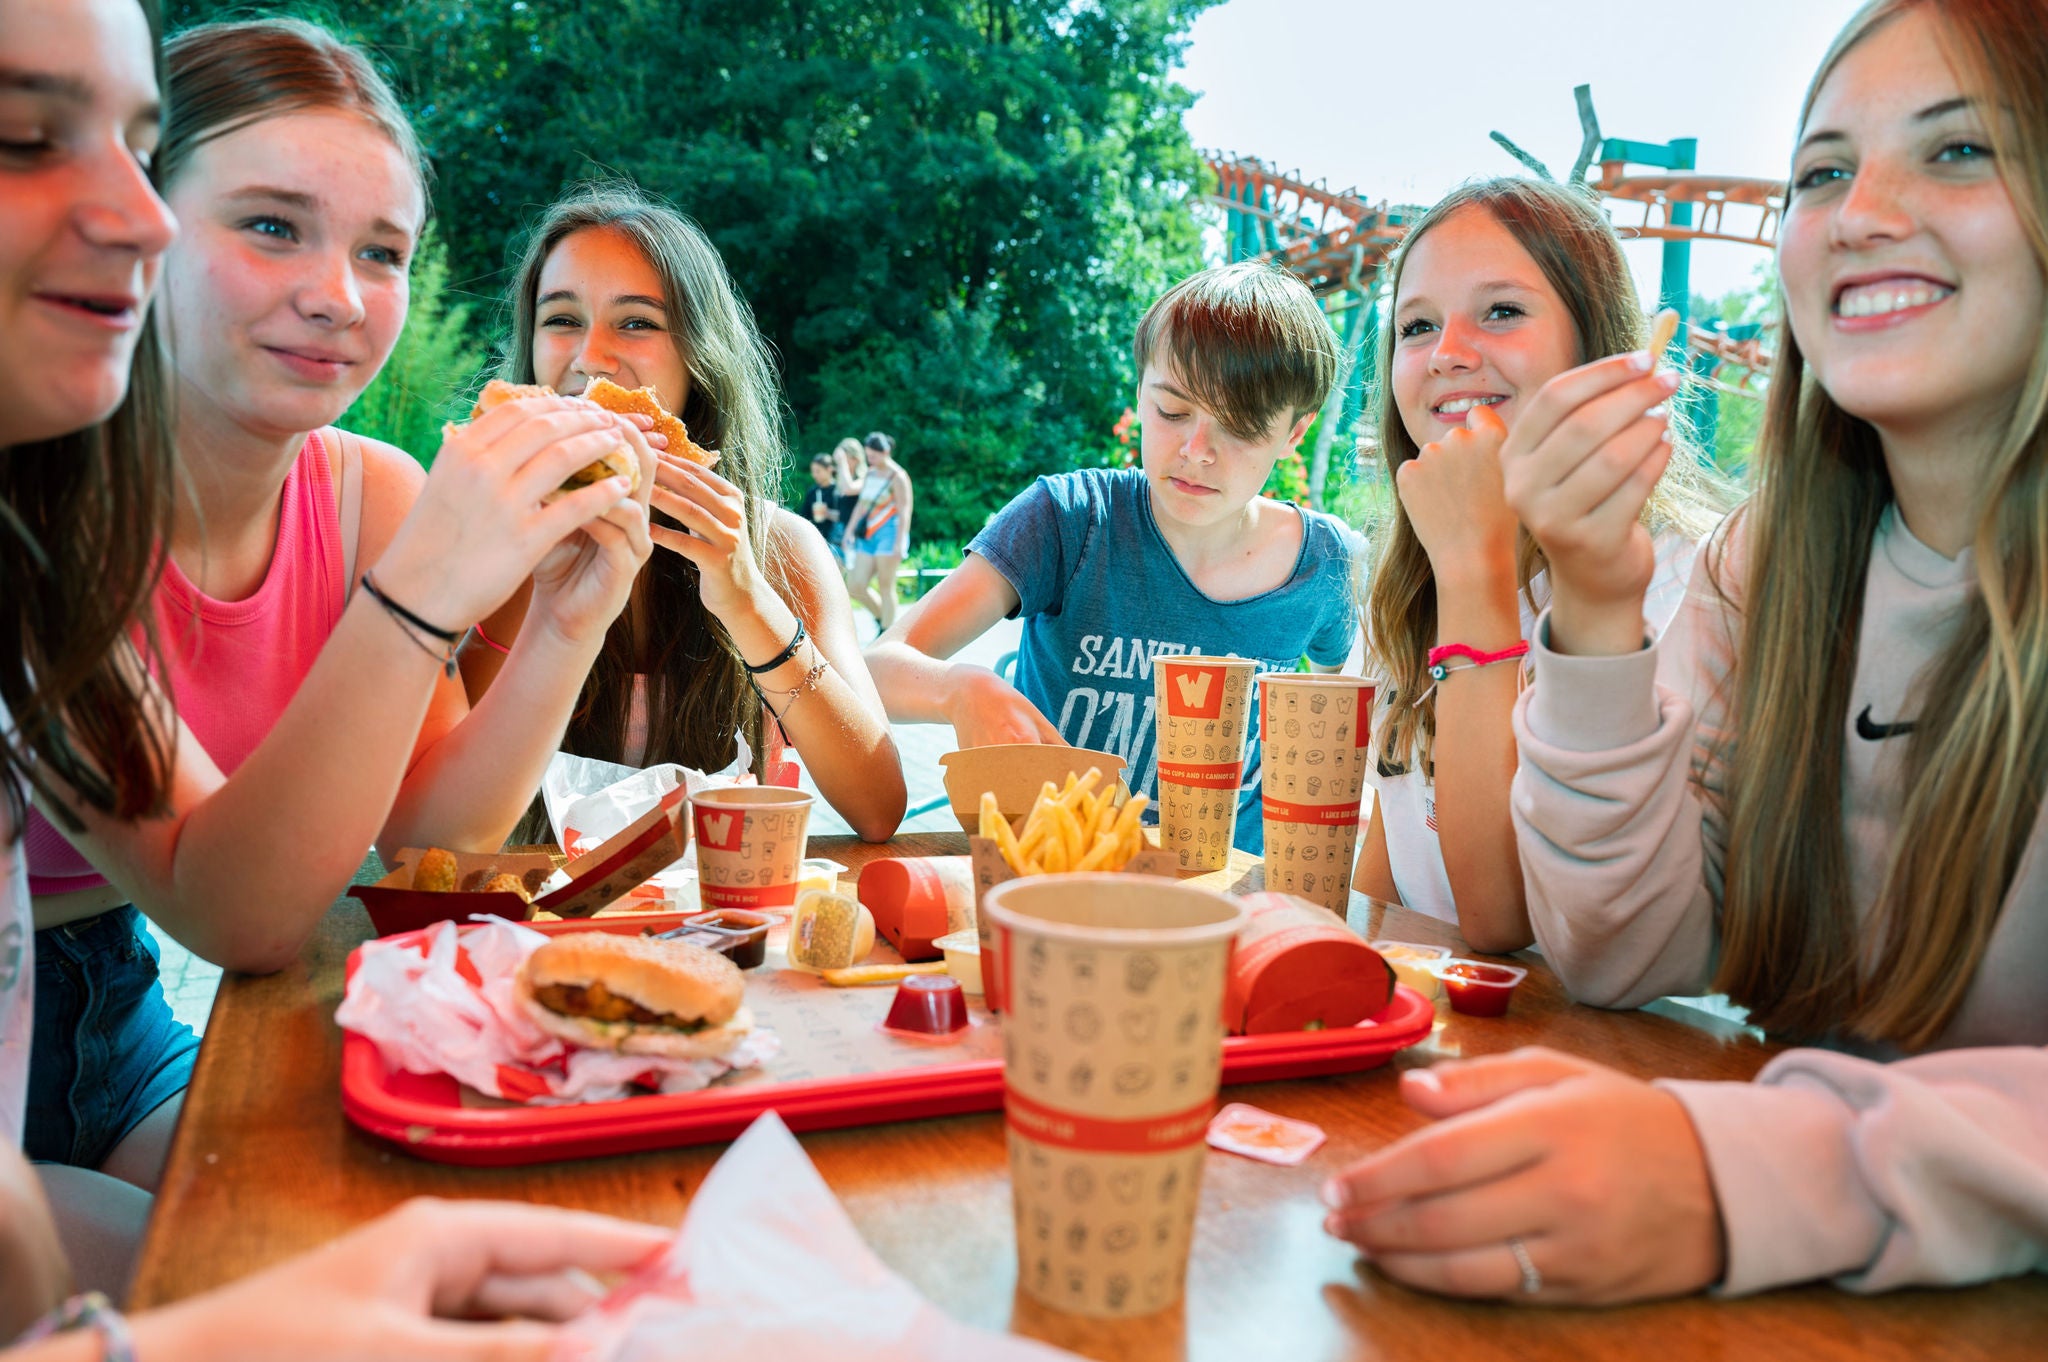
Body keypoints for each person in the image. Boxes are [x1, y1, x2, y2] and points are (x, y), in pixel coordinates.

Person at [1323, 0, 2048, 1303]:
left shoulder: (1673, 564)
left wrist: (1752, 1167)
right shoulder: (1763, 568)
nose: (1866, 210)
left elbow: (1505, 924)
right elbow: (1626, 950)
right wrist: (1590, 611)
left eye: (1959, 150)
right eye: (1823, 172)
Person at [0, 1, 675, 1352]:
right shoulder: (48, 505)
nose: (339, 294)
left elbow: (427, 845)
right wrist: (425, 594)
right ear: (155, 217)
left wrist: (565, 622)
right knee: (241, 1268)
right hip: (65, 1005)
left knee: (362, 1211)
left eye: (383, 252)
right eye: (271, 226)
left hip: (108, 1009)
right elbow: (237, 907)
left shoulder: (371, 490)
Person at [866, 262, 1362, 853]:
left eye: (1242, 427)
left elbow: (1341, 721)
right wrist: (957, 688)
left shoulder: (1326, 564)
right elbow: (873, 668)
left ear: (1295, 432)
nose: (1196, 451)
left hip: (1230, 898)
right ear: (1139, 391)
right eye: (1173, 411)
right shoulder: (1071, 518)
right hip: (1055, 878)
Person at [460, 183, 904, 841]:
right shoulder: (468, 540)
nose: (588, 358)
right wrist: (525, 580)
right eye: (561, 319)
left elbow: (877, 807)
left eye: (636, 321)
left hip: (729, 927)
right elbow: (431, 835)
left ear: (701, 355)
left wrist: (747, 600)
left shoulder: (780, 548)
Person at [1355, 178, 1724, 951]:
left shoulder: (1683, 590)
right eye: (1417, 326)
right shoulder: (1405, 585)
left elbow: (1501, 919)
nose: (1449, 354)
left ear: (1594, 349)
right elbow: (1394, 880)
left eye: (1501, 311)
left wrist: (1472, 568)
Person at [843, 430, 913, 633]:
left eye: (874, 455)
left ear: (886, 452)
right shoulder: (870, 473)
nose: (870, 459)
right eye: (868, 455)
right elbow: (861, 506)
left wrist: (900, 542)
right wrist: (849, 531)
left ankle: (887, 631)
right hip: (867, 535)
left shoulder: (898, 476)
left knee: (885, 584)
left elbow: (904, 510)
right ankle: (883, 619)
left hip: (890, 534)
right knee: (855, 585)